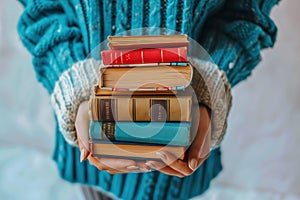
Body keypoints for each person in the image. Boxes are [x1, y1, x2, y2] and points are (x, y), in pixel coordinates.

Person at [17, 0, 280, 199]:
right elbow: (41, 8)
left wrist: (209, 82)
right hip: (91, 142)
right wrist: (74, 84)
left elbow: (248, 11)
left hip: (185, 149)